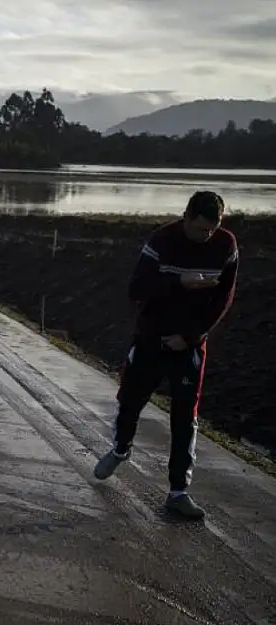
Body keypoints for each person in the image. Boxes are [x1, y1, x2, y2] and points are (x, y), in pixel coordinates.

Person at [93, 190, 239, 520]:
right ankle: (120, 449)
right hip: (150, 338)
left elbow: (223, 298)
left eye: (212, 229)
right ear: (186, 218)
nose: (207, 236)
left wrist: (190, 337)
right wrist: (178, 283)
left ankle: (178, 492)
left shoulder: (225, 246)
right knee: (130, 400)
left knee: (185, 416)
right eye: (201, 229)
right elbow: (136, 289)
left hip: (189, 344)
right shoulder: (163, 240)